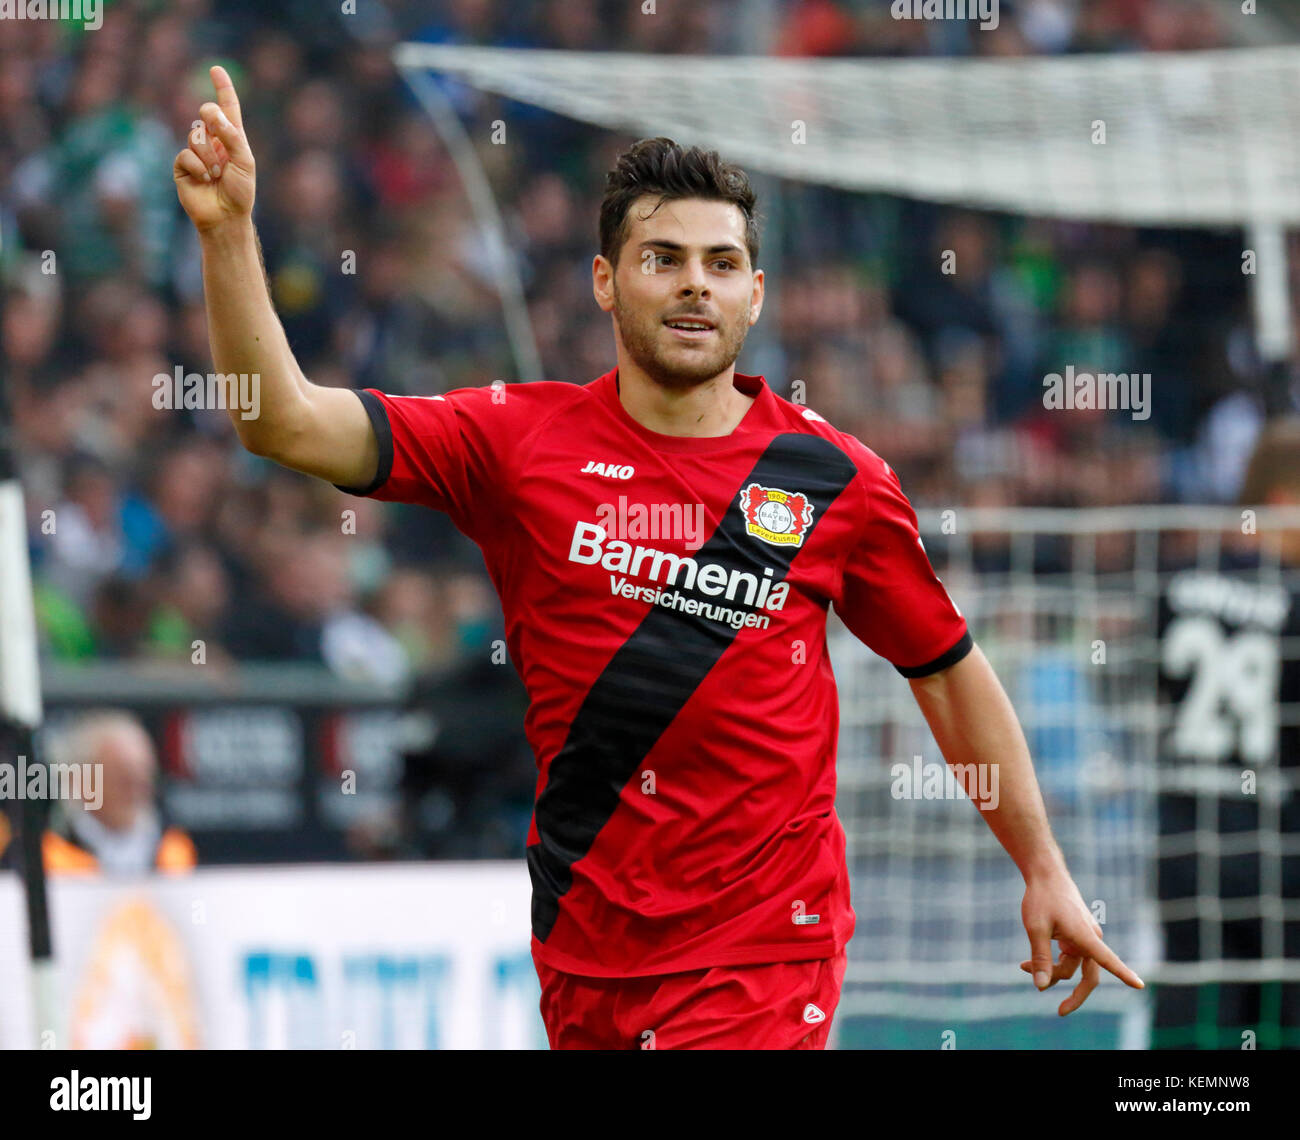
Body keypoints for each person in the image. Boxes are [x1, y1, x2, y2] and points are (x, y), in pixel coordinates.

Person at [173, 66, 1142, 1048]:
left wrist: (1042, 865)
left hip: (765, 947)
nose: (694, 284)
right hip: (586, 944)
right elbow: (278, 423)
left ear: (754, 294)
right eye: (663, 257)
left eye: (721, 264)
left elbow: (945, 672)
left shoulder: (832, 479)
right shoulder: (515, 439)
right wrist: (227, 234)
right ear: (605, 279)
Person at [1153, 418, 1300, 1046]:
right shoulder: (1295, 600)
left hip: (1188, 843)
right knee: (1277, 1016)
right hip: (1278, 847)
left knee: (1191, 1014)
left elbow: (1165, 688)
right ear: (1282, 500)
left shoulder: (1177, 583)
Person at [42, 710, 196, 875]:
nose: (135, 790)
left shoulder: (176, 849)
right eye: (121, 777)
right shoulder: (50, 854)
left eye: (143, 775)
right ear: (81, 781)